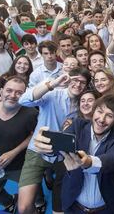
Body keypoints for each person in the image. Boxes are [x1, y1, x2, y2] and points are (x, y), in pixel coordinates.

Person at [34, 94, 114, 213]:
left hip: (106, 208)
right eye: (99, 112)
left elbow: (113, 159)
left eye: (109, 116)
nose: (101, 119)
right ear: (93, 111)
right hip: (74, 205)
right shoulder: (78, 125)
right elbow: (60, 146)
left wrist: (89, 162)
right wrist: (47, 147)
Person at [17, 68, 92, 214]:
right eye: (75, 80)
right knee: (24, 207)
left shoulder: (83, 105)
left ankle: (50, 180)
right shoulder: (52, 94)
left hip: (62, 156)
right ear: (68, 79)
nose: (78, 84)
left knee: (61, 205)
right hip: (37, 151)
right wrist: (53, 84)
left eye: (82, 82)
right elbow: (23, 100)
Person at [0, 76, 38, 212]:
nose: (13, 95)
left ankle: (39, 202)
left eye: (18, 93)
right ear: (1, 92)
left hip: (20, 165)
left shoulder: (31, 114)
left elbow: (34, 135)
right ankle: (9, 201)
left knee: (34, 193)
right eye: (9, 91)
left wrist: (13, 152)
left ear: (24, 94)